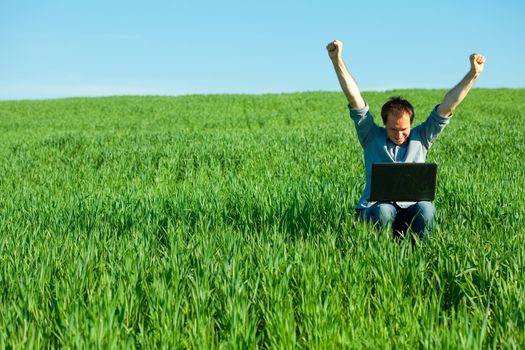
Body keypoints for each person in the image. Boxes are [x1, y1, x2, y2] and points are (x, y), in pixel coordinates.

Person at [326, 39, 486, 241]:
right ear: (385, 124)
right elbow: (355, 99)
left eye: (404, 129)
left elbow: (447, 106)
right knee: (383, 210)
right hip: (376, 210)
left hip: (411, 209)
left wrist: (473, 74)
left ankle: (421, 253)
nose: (399, 134)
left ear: (411, 124)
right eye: (393, 129)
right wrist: (336, 60)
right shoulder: (371, 136)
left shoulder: (422, 137)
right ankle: (378, 253)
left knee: (427, 208)